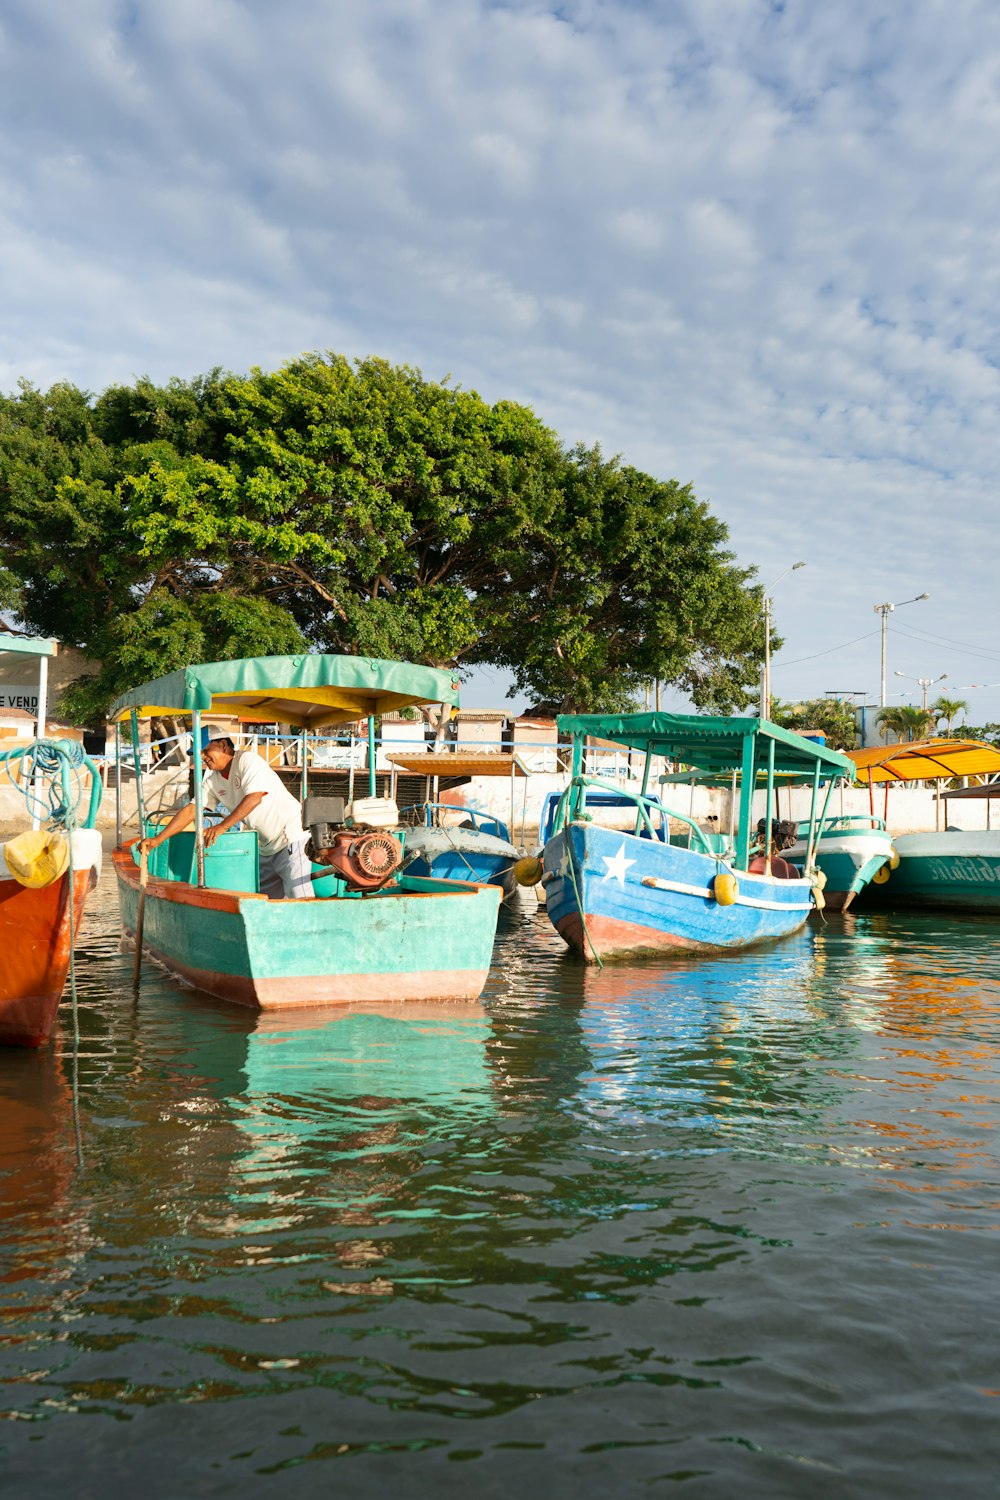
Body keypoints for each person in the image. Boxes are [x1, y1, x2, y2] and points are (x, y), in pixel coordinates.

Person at [139, 725, 315, 900]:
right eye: (199, 753)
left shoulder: (247, 760)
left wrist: (222, 826)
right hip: (266, 847)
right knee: (264, 901)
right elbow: (191, 810)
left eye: (206, 750)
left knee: (300, 897)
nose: (203, 757)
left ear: (223, 745)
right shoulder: (212, 781)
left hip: (292, 836)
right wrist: (157, 839)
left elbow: (254, 797)